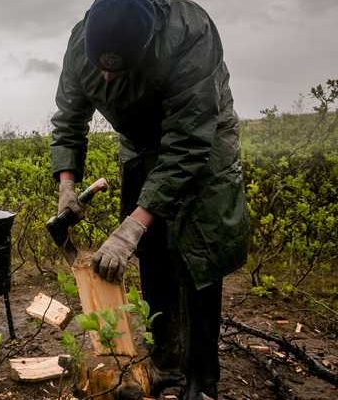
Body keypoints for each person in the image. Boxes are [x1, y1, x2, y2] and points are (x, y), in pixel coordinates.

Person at [50, 0, 249, 399]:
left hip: (204, 146)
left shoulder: (189, 34)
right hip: (141, 147)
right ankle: (167, 362)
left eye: (116, 68)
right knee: (153, 255)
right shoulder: (81, 42)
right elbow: (69, 118)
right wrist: (67, 183)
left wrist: (132, 225)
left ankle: (201, 379)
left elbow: (189, 142)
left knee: (198, 259)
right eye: (99, 67)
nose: (105, 78)